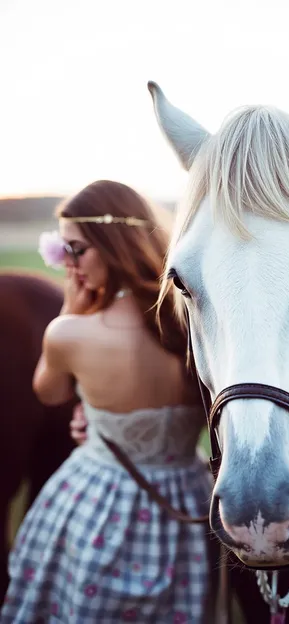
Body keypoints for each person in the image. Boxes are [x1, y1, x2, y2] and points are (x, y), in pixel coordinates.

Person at [1, 180, 213, 624]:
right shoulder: (197, 328)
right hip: (188, 501)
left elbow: (52, 392)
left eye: (75, 249)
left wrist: (69, 314)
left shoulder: (69, 335)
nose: (67, 264)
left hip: (98, 503)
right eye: (62, 250)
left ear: (114, 244)